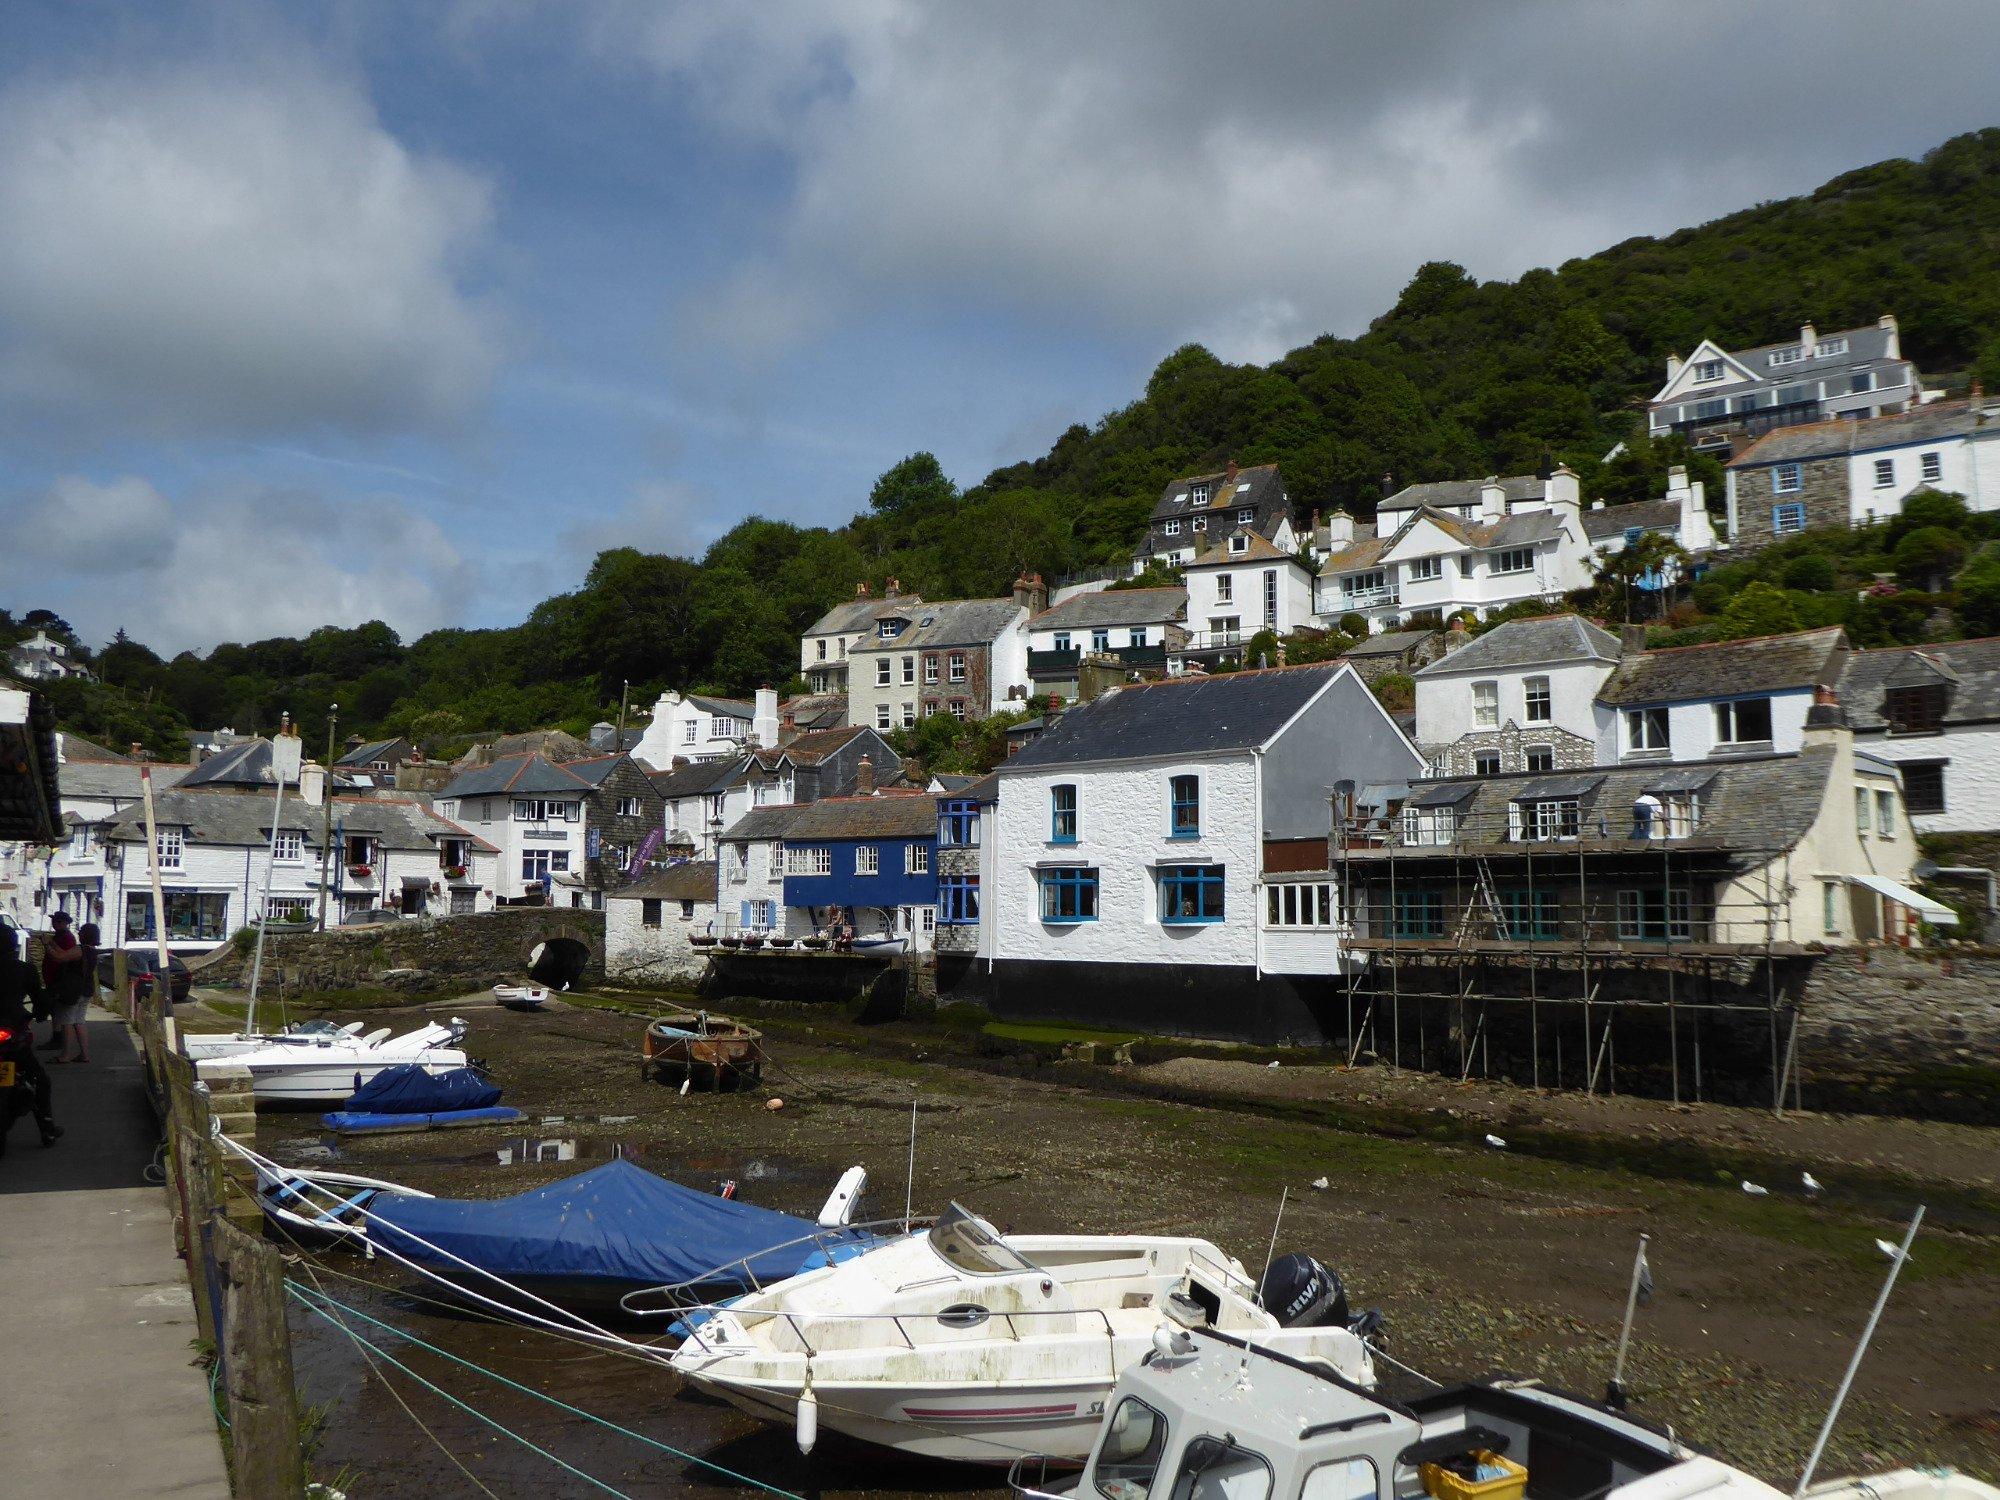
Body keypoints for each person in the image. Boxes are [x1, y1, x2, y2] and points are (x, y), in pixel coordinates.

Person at [0, 925, 61, 1148]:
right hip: (13, 1031)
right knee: (39, 1079)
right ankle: (47, 1128)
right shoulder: (24, 969)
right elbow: (40, 998)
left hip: (12, 1033)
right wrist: (41, 1013)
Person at [51, 921, 98, 1064]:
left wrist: (47, 946)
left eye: (81, 931)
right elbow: (64, 953)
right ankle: (85, 1054)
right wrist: (53, 944)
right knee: (79, 1021)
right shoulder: (92, 951)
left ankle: (65, 1055)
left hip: (74, 990)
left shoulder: (81, 950)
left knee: (67, 1022)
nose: (78, 933)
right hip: (86, 989)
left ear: (85, 935)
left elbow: (60, 957)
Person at [38, 912, 84, 1053]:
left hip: (59, 979)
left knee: (58, 1011)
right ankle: (57, 1038)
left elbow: (62, 957)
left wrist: (48, 945)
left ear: (64, 923)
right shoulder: (59, 936)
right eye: (54, 921)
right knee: (55, 1010)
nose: (54, 923)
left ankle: (59, 1040)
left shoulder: (67, 938)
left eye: (57, 921)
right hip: (53, 978)